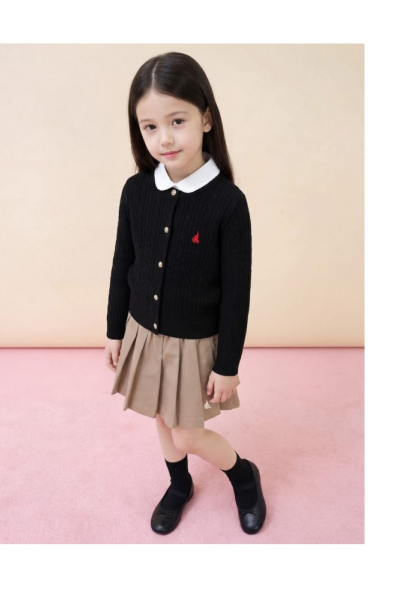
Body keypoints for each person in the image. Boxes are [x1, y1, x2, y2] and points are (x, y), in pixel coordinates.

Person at [104, 51, 266, 536]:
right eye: (150, 127)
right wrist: (114, 330)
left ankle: (243, 475)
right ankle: (179, 486)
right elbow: (122, 262)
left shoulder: (228, 204)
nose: (165, 138)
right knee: (160, 417)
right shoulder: (135, 190)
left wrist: (228, 365)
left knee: (188, 434)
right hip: (143, 333)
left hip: (195, 345)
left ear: (206, 119)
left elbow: (237, 292)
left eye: (177, 121)